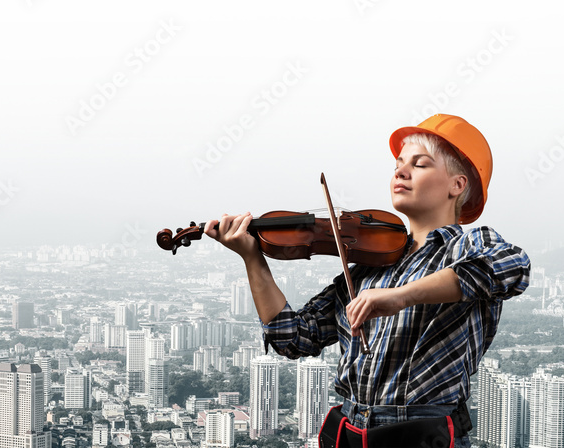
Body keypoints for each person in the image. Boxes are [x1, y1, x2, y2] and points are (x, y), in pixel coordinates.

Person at [205, 114, 530, 447]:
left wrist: (399, 297)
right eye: (398, 165)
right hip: (349, 430)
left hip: (420, 435)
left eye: (419, 165)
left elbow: (512, 268)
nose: (401, 172)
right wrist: (252, 257)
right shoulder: (369, 265)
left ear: (457, 185)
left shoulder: (471, 245)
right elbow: (294, 337)